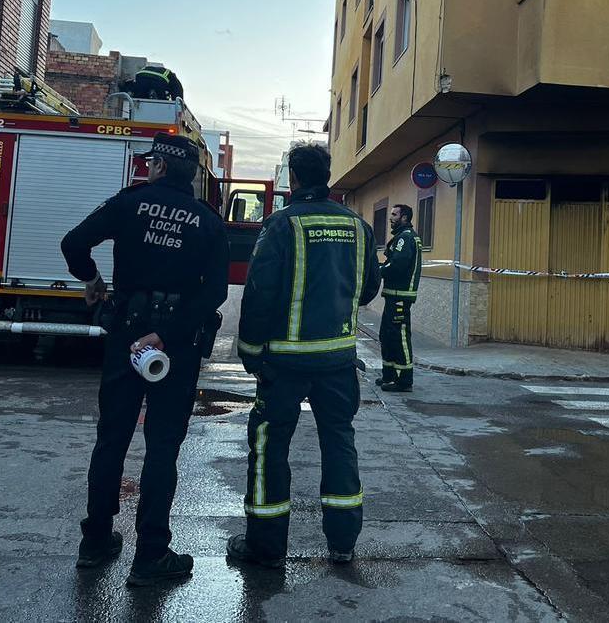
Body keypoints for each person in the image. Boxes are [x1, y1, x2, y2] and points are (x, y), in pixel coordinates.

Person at [60, 133, 229, 586]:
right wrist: (168, 334)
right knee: (163, 445)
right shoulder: (207, 221)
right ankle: (150, 555)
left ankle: (95, 541)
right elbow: (215, 291)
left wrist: (92, 279)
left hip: (126, 335)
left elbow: (73, 243)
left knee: (112, 438)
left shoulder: (129, 204)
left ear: (158, 167)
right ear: (191, 174)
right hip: (176, 345)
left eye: (151, 163)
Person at [227, 143, 381, 568]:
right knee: (339, 442)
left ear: (293, 178)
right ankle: (343, 544)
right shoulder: (358, 226)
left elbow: (259, 293)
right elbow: (369, 288)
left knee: (270, 447)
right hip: (338, 361)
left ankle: (266, 546)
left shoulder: (281, 224)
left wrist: (251, 354)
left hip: (284, 363)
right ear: (327, 175)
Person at [377, 204, 422, 392]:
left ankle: (404, 381)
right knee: (387, 335)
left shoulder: (405, 238)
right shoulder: (402, 236)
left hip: (400, 296)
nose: (391, 218)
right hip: (393, 296)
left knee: (399, 336)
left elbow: (397, 265)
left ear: (404, 217)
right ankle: (389, 375)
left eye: (395, 214)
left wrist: (377, 271)